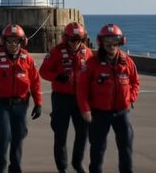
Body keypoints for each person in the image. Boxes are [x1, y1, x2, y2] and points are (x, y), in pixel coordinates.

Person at [0, 24, 42, 173]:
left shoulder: (28, 59)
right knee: (3, 136)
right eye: (9, 41)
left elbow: (35, 82)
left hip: (21, 105)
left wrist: (38, 103)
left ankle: (16, 169)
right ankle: (0, 168)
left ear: (22, 42)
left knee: (18, 138)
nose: (13, 45)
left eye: (16, 41)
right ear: (3, 41)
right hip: (1, 105)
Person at [77, 24, 139, 173]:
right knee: (97, 150)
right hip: (99, 114)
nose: (111, 45)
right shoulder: (92, 63)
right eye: (107, 42)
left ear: (121, 42)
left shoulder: (127, 62)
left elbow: (135, 82)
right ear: (101, 43)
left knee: (126, 148)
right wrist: (85, 110)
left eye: (115, 41)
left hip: (121, 113)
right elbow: (82, 89)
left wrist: (130, 98)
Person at [39, 22, 92, 173]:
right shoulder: (56, 52)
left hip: (81, 99)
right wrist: (57, 77)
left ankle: (77, 163)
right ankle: (62, 167)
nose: (76, 43)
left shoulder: (87, 53)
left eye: (79, 40)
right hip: (61, 98)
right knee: (60, 134)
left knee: (83, 133)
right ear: (65, 38)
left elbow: (93, 73)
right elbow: (43, 71)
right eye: (72, 40)